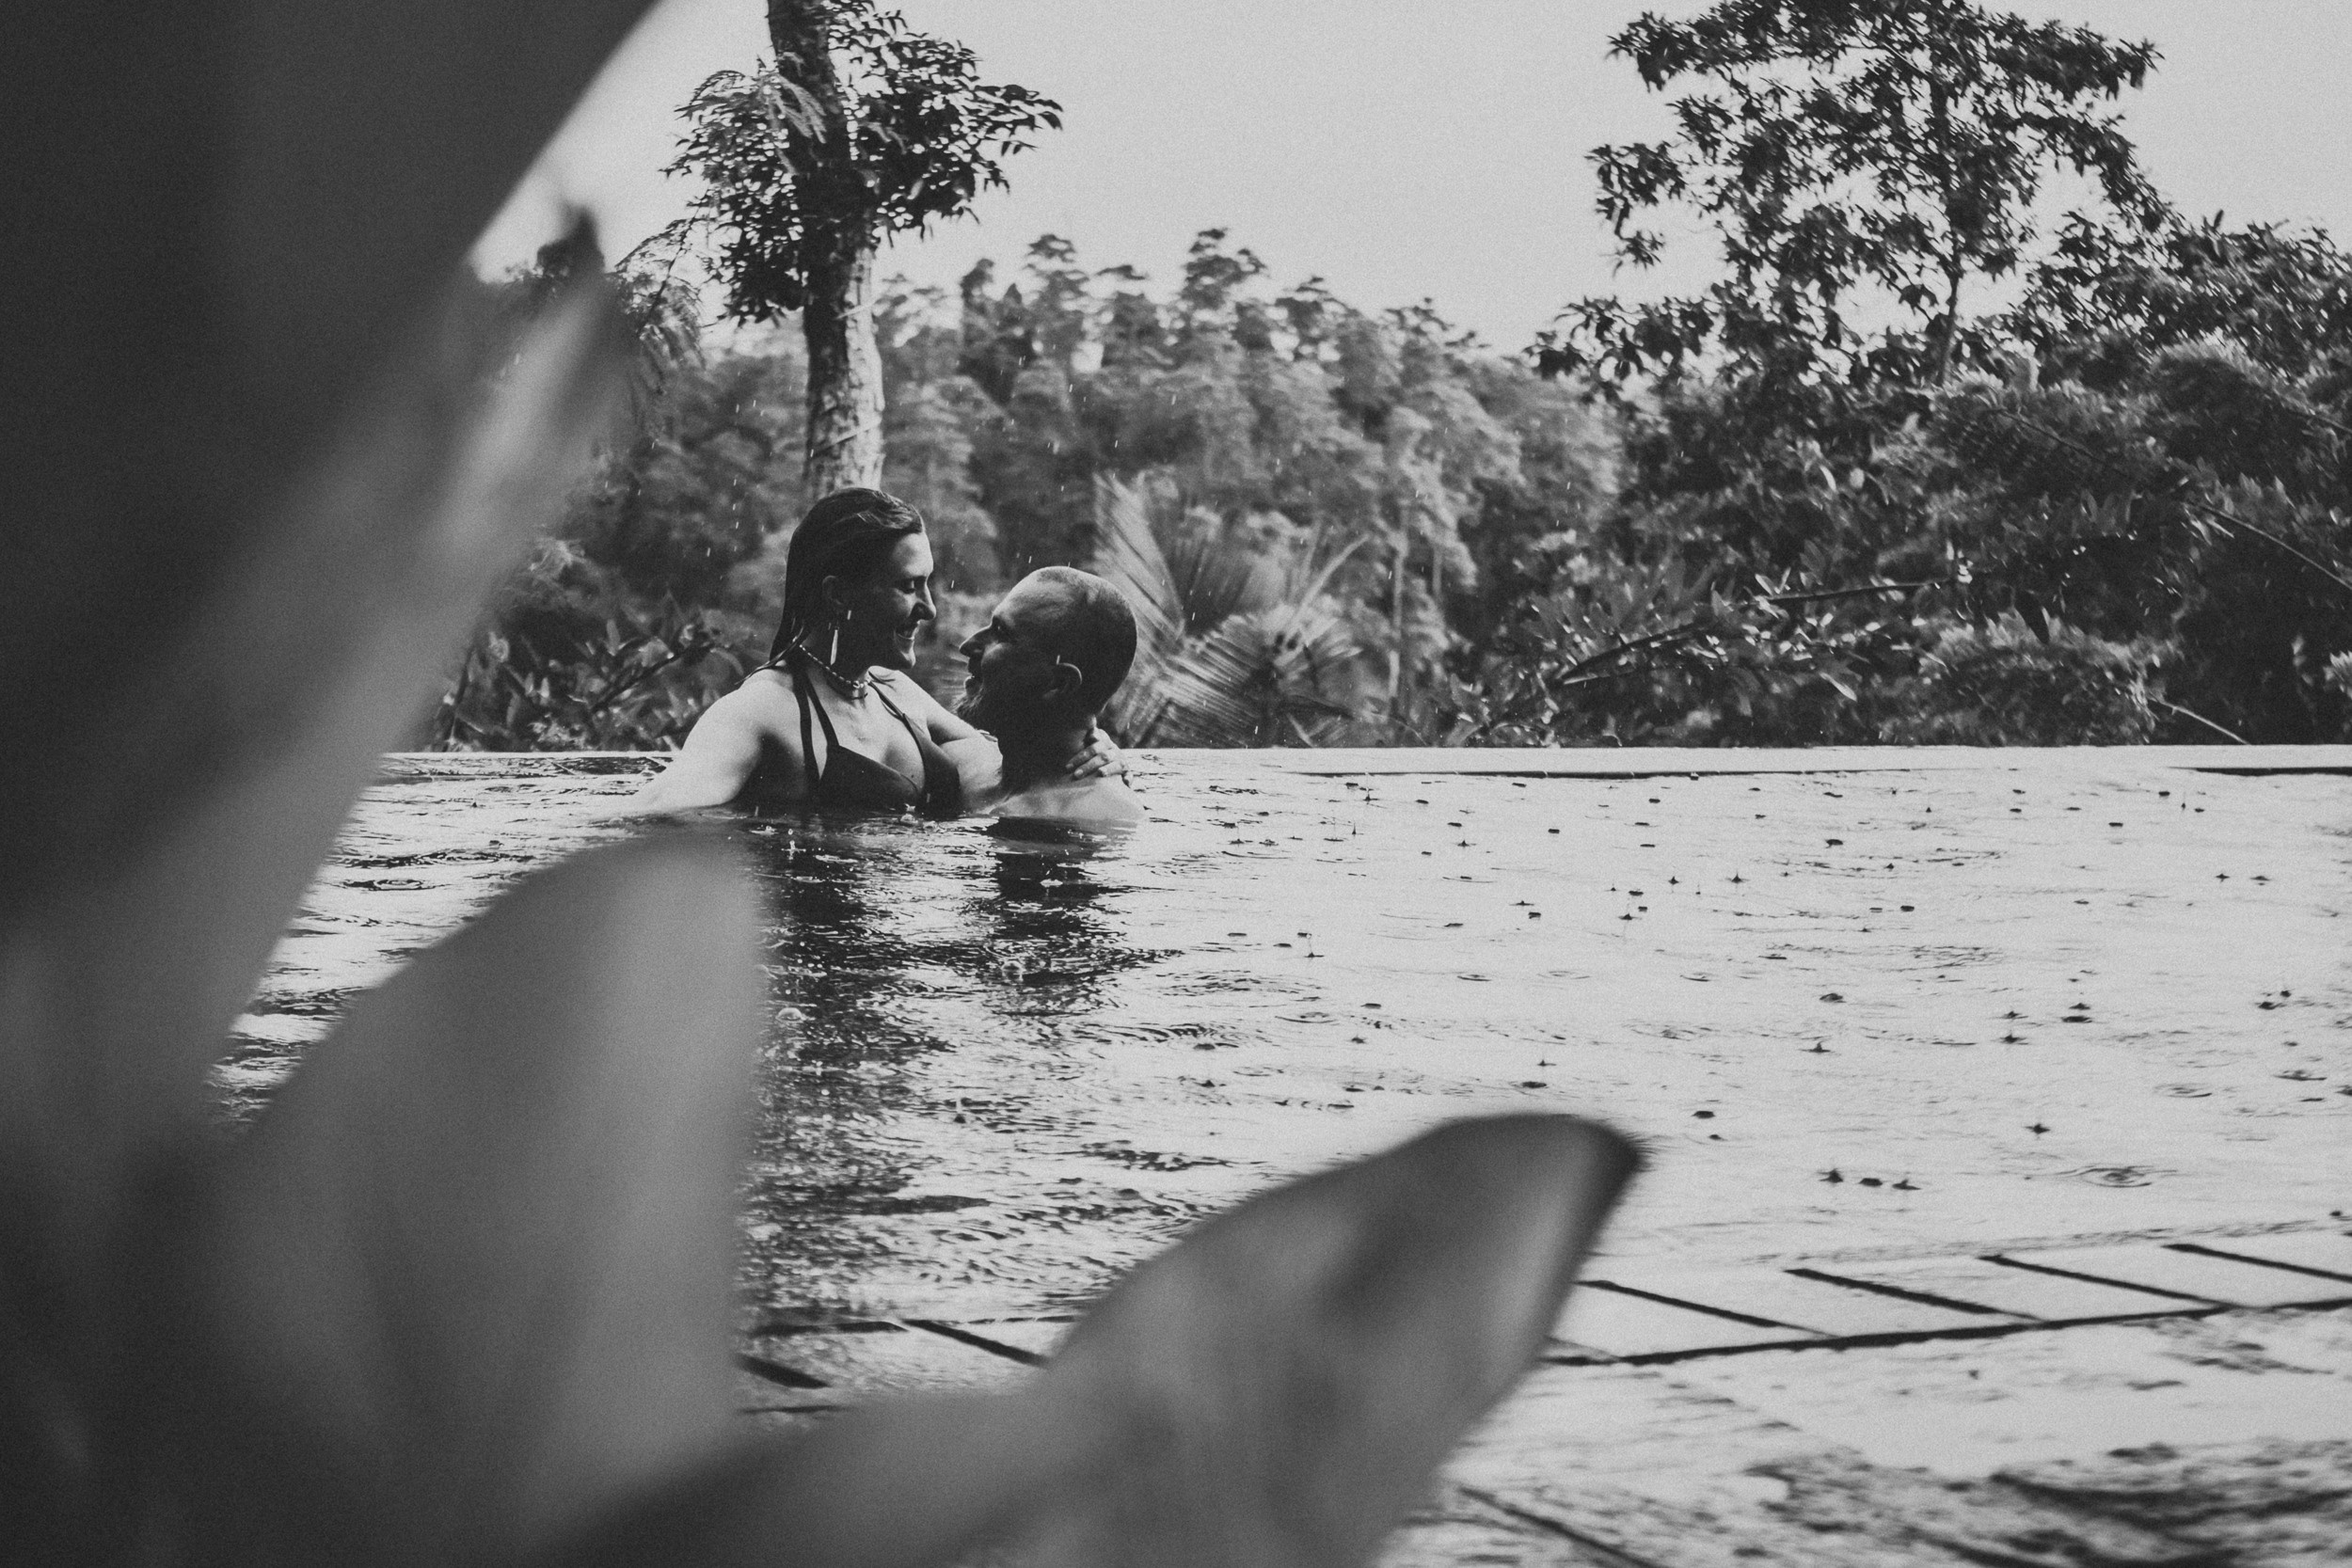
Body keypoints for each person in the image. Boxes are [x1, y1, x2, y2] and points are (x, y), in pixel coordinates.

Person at [626, 489, 1120, 820]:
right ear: (839, 595)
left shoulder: (897, 692)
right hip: (813, 959)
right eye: (908, 586)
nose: (928, 609)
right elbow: (657, 807)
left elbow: (1017, 752)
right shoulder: (761, 710)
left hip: (895, 952)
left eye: (927, 583)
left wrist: (1091, 746)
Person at [957, 565, 1145, 829]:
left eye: (1000, 633)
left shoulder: (1099, 817)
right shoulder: (967, 764)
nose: (967, 645)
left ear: (1058, 683)